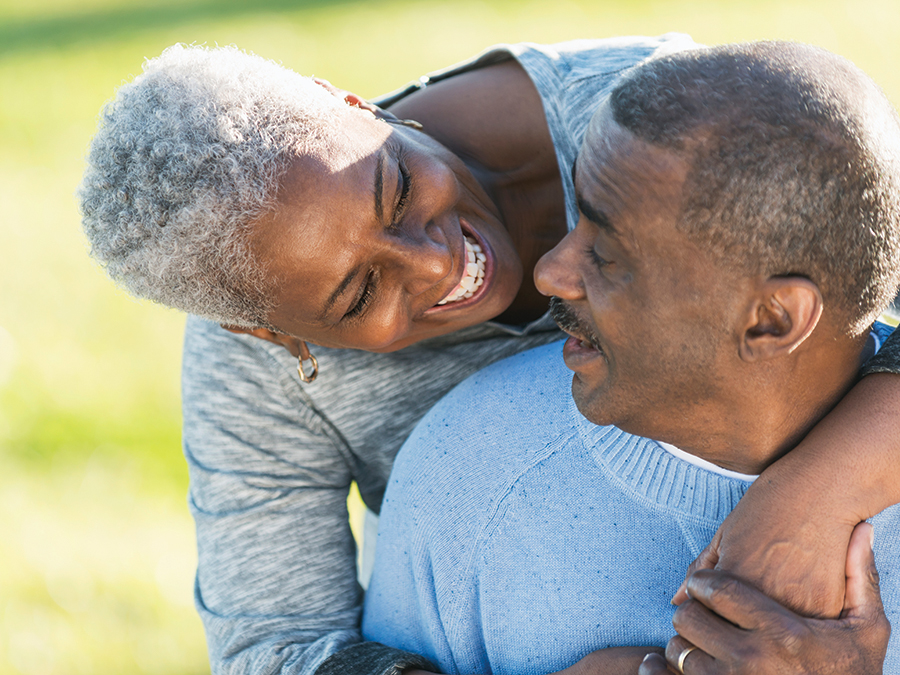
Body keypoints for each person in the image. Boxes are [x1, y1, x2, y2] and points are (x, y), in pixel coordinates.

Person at [77, 36, 900, 675]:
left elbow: (856, 255)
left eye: (396, 189)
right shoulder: (260, 376)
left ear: (354, 103)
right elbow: (275, 647)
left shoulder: (655, 130)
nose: (438, 263)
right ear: (271, 336)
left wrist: (807, 501)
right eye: (360, 294)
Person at [361, 40, 900, 675]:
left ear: (770, 320)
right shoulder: (464, 468)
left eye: (609, 256)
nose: (549, 273)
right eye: (576, 220)